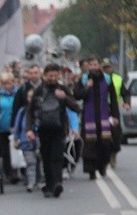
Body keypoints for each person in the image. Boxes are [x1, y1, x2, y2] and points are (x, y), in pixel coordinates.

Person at [27, 63, 80, 198]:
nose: (52, 78)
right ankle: (49, 185)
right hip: (43, 128)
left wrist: (65, 98)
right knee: (46, 157)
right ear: (44, 76)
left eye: (55, 76)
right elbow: (30, 111)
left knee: (57, 156)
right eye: (50, 76)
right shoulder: (39, 91)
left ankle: (57, 183)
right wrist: (29, 129)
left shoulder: (63, 89)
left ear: (59, 76)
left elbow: (76, 107)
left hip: (59, 128)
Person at [73, 56, 120, 179]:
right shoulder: (84, 79)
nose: (93, 67)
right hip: (89, 117)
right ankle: (91, 170)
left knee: (105, 143)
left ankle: (102, 166)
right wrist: (86, 87)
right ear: (87, 66)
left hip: (104, 115)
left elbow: (114, 99)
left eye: (95, 64)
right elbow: (77, 95)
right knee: (90, 144)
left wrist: (115, 116)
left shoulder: (107, 79)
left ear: (99, 65)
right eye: (90, 65)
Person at [101, 58, 131, 168]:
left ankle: (113, 154)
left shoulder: (118, 79)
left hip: (113, 108)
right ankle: (104, 157)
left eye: (108, 67)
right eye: (104, 67)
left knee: (116, 134)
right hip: (101, 108)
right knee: (103, 134)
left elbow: (125, 93)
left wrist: (127, 103)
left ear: (112, 68)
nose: (106, 69)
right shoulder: (99, 79)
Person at [0, 71, 18, 182]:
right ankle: (8, 172)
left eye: (9, 83)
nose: (7, 85)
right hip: (2, 127)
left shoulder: (18, 94)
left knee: (16, 150)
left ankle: (17, 170)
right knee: (5, 152)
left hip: (16, 127)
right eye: (4, 83)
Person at [13, 89, 38, 191]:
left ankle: (42, 181)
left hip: (40, 141)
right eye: (29, 97)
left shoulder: (41, 110)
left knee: (41, 162)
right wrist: (16, 138)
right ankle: (31, 182)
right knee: (31, 162)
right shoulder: (23, 111)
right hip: (25, 141)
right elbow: (17, 126)